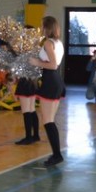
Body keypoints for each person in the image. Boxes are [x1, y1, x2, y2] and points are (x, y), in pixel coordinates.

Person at [30, 16, 65, 167]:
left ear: (47, 27)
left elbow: (53, 65)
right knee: (49, 120)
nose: (41, 28)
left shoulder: (48, 43)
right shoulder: (58, 42)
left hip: (50, 80)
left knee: (48, 121)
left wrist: (36, 62)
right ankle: (56, 154)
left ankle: (57, 155)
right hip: (54, 80)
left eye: (42, 25)